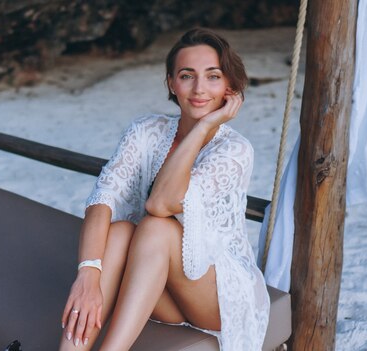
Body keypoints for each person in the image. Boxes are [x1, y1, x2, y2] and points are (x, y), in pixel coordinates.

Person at [59, 28, 270, 351]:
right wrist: (87, 275)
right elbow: (102, 199)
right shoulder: (147, 131)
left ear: (229, 86)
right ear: (171, 83)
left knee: (156, 227)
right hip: (161, 285)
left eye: (213, 76)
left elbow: (161, 204)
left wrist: (202, 128)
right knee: (118, 233)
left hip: (216, 295)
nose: (200, 89)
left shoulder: (235, 150)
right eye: (187, 76)